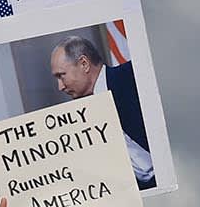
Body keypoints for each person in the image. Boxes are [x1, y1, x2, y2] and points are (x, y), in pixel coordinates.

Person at [49, 35, 155, 189]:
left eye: (61, 76)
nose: (60, 87)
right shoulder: (81, 119)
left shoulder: (136, 75)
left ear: (84, 64)